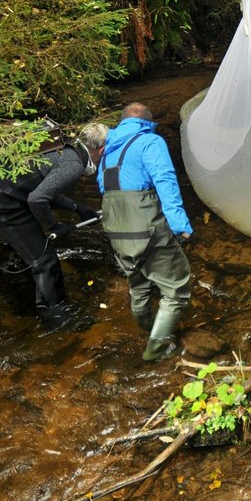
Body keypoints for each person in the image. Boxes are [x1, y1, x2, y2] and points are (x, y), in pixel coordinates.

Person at [0, 121, 106, 327]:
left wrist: (77, 207)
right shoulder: (74, 165)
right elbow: (37, 199)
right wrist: (54, 227)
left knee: (29, 254)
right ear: (100, 150)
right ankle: (55, 317)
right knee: (46, 261)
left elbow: (41, 189)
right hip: (4, 205)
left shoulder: (65, 149)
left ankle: (23, 294)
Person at [97, 102, 193, 362]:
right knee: (175, 289)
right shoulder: (150, 142)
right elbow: (165, 179)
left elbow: (105, 192)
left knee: (138, 285)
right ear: (148, 122)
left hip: (116, 232)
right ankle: (156, 349)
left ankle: (149, 328)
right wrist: (179, 224)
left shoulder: (107, 153)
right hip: (147, 228)